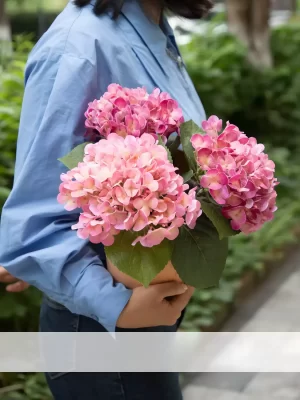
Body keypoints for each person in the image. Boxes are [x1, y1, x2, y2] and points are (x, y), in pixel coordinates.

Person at [0, 0, 212, 398]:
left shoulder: (146, 28)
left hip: (139, 324)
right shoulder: (77, 48)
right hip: (102, 335)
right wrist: (116, 306)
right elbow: (33, 222)